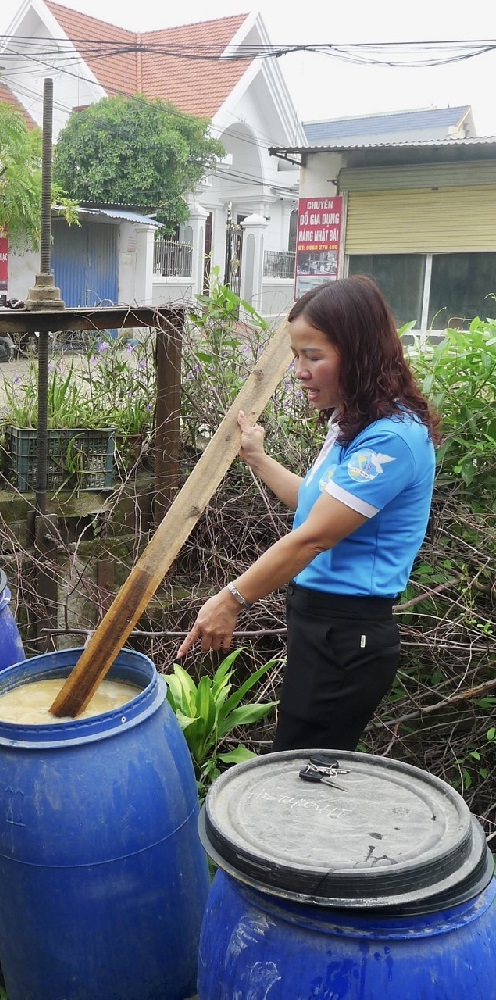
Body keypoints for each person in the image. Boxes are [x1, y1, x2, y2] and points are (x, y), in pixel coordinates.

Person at [178, 276, 440, 752]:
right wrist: (257, 457)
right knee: (299, 766)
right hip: (319, 622)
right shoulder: (351, 423)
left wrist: (232, 598)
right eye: (297, 355)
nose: (299, 371)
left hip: (348, 632)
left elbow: (314, 538)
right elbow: (313, 505)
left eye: (313, 356)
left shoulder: (390, 440)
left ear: (360, 353)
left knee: (301, 778)